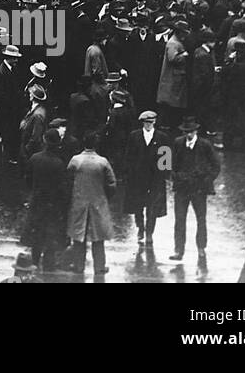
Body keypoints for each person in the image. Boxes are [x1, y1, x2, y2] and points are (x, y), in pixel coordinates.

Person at [169, 116, 220, 265]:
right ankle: (178, 250)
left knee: (201, 220)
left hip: (199, 190)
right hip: (182, 189)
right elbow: (169, 163)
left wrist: (206, 180)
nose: (189, 134)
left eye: (191, 131)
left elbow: (216, 166)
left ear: (196, 131)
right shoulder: (178, 143)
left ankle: (201, 248)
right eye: (186, 131)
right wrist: (175, 177)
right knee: (179, 220)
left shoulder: (205, 145)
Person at [67, 130, 117, 276]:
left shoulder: (75, 160)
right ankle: (99, 267)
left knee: (78, 235)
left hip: (79, 202)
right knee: (98, 237)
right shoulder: (103, 162)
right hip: (98, 203)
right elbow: (112, 184)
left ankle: (78, 266)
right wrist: (105, 197)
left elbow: (68, 181)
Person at [21, 128, 69, 271]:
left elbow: (27, 179)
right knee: (50, 234)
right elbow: (62, 187)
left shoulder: (34, 158)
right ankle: (49, 265)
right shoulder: (59, 163)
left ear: (44, 140)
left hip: (37, 201)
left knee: (37, 234)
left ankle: (35, 262)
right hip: (53, 204)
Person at [124, 109, 169, 245]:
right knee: (138, 206)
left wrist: (163, 176)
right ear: (142, 123)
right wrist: (129, 173)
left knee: (153, 207)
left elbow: (166, 159)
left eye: (151, 122)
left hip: (155, 179)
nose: (148, 125)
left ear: (154, 122)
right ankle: (140, 228)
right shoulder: (134, 136)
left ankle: (149, 232)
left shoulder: (162, 137)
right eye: (146, 122)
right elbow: (129, 156)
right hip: (138, 178)